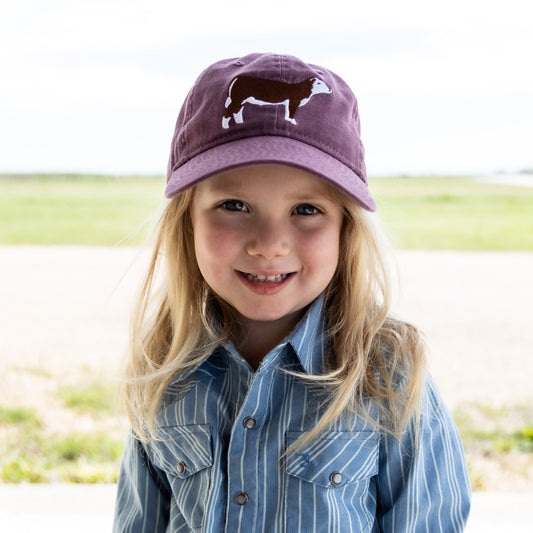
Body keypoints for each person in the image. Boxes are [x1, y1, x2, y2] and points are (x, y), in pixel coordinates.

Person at [113, 53, 471, 532]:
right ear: (188, 224)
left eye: (305, 209)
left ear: (345, 229)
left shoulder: (388, 372)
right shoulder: (165, 369)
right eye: (234, 205)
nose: (269, 245)